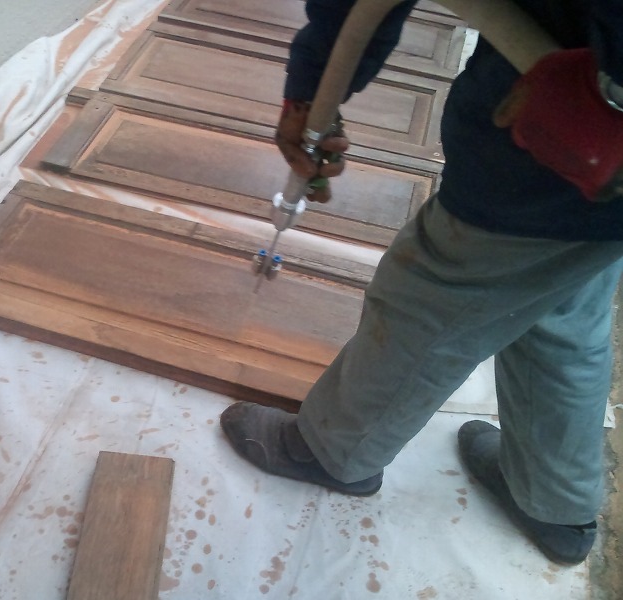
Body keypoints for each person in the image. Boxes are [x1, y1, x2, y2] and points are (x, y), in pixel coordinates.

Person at [220, 0, 623, 566]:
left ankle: (333, 452)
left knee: (435, 297)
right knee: (560, 307)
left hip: (569, 136)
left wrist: (310, 91)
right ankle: (552, 500)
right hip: (595, 165)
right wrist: (313, 86)